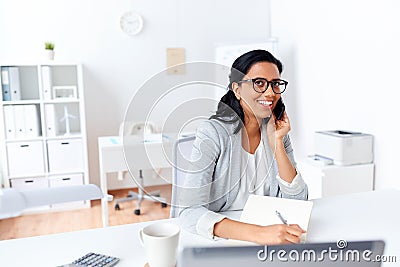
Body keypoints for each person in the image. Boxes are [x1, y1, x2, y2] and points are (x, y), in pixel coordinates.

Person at [178, 49, 308, 245]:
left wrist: (278, 144)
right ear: (237, 89)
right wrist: (260, 234)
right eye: (259, 83)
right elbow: (189, 212)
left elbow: (298, 202)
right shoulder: (213, 133)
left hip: (271, 237)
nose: (271, 93)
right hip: (225, 239)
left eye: (275, 84)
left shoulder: (276, 131)